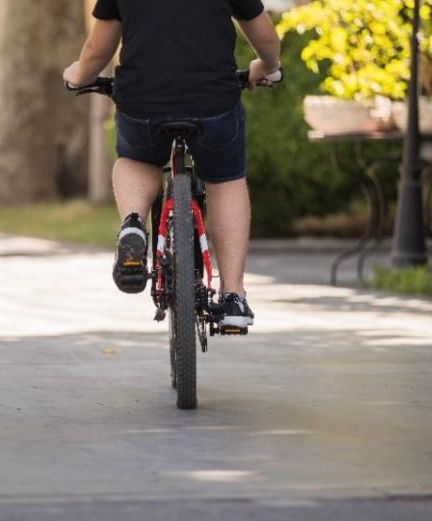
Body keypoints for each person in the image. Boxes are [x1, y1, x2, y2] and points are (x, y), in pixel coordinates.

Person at [64, 0, 282, 330]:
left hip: (142, 104)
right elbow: (265, 36)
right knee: (225, 179)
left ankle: (134, 222)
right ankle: (233, 297)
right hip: (214, 104)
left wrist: (78, 75)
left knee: (136, 159)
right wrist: (266, 66)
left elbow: (97, 49)